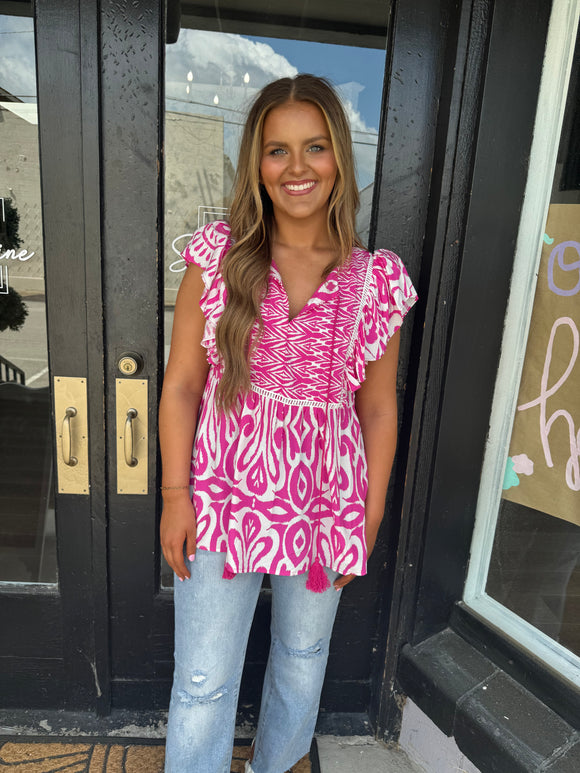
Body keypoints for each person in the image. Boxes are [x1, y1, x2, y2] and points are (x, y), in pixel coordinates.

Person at [159, 74, 417, 773]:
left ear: (340, 158)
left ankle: (275, 764)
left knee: (303, 658)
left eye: (316, 147)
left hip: (325, 498)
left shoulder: (375, 281)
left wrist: (368, 511)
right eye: (278, 150)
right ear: (257, 162)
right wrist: (176, 496)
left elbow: (379, 406)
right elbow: (182, 384)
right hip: (219, 495)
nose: (297, 167)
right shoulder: (216, 257)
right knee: (206, 678)